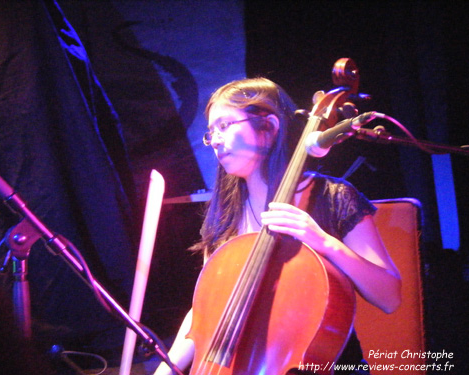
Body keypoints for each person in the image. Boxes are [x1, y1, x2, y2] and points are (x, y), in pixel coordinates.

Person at [153, 77, 402, 375]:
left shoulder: (333, 198)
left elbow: (389, 297)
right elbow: (207, 311)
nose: (215, 140)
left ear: (268, 127)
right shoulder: (224, 213)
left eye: (224, 126)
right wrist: (165, 370)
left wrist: (323, 242)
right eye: (210, 132)